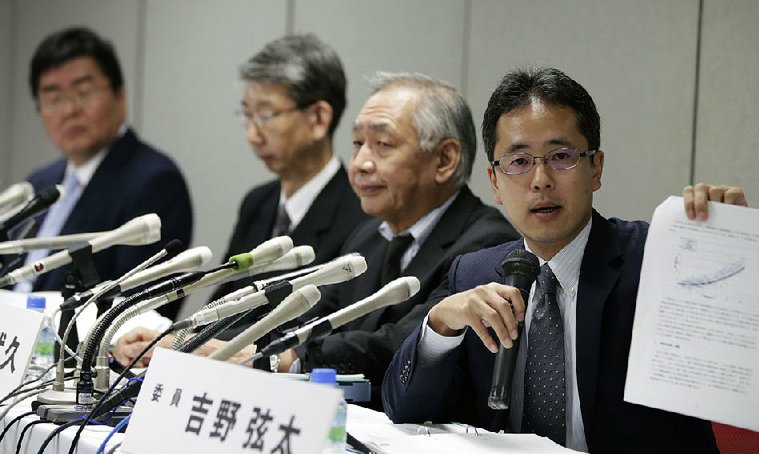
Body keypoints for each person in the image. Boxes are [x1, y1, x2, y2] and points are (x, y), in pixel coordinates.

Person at [381, 67, 759, 454]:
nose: (540, 179)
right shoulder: (475, 274)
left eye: (561, 157)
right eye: (519, 162)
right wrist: (439, 326)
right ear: (496, 182)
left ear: (595, 168)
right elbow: (405, 409)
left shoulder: (660, 259)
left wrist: (736, 260)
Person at [113, 73, 518, 406]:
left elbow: (399, 342)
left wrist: (275, 361)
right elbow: (304, 319)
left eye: (383, 144)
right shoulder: (369, 236)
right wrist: (192, 343)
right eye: (358, 143)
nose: (359, 164)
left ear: (444, 160)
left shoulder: (486, 244)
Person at [19, 27, 193, 318]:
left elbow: (137, 306)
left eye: (83, 92)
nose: (70, 109)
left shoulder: (154, 181)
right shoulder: (40, 183)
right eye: (54, 97)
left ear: (120, 95)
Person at [210, 33, 367, 299]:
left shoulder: (360, 216)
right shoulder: (257, 203)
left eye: (266, 115)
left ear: (318, 118)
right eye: (248, 115)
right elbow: (219, 305)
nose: (252, 135)